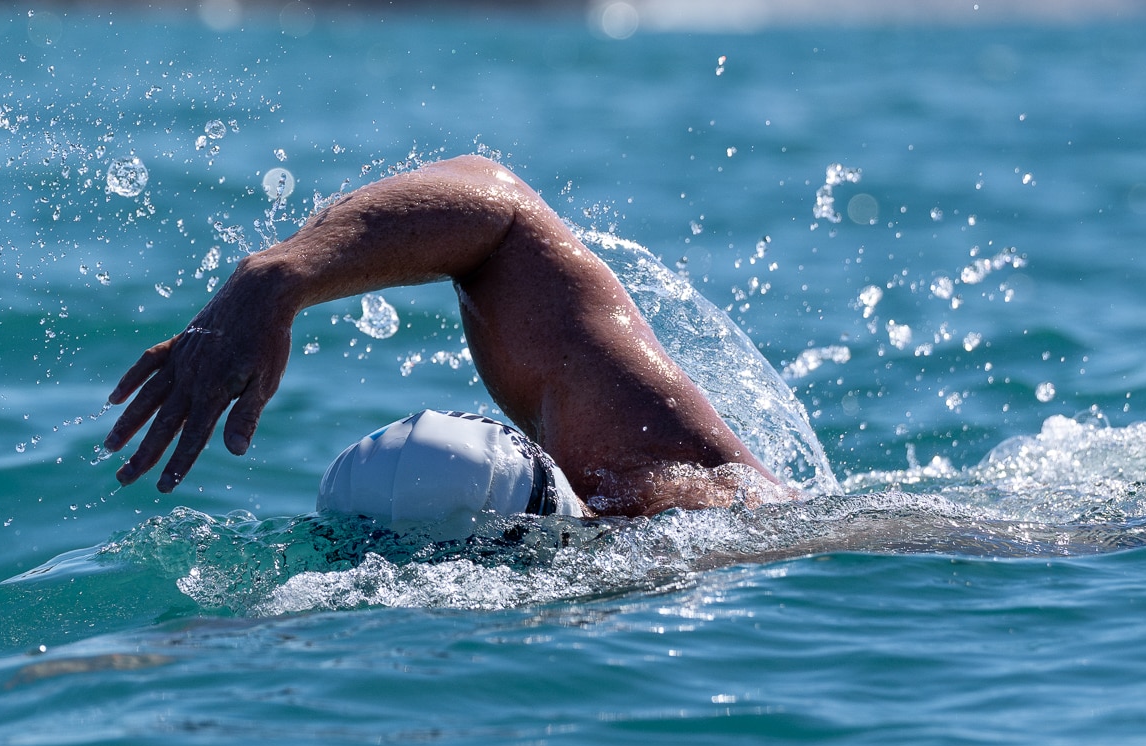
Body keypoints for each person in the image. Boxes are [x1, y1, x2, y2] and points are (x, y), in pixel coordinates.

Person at [103, 154, 788, 525]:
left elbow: (495, 198)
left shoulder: (670, 489)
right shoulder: (625, 468)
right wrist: (282, 280)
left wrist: (278, 274)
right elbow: (500, 213)